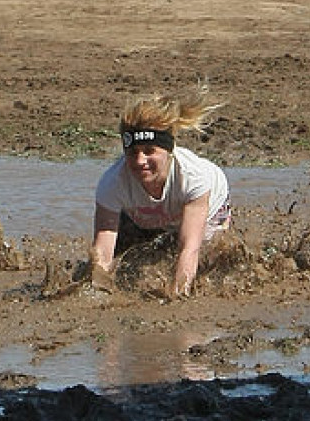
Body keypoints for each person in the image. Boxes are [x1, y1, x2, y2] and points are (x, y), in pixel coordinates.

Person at [90, 92, 231, 299]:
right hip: (149, 214)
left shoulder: (194, 178)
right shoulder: (112, 184)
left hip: (209, 208)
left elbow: (189, 249)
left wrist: (176, 300)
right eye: (132, 153)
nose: (140, 161)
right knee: (128, 267)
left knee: (210, 265)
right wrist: (95, 296)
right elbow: (102, 254)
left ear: (169, 149)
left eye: (149, 151)